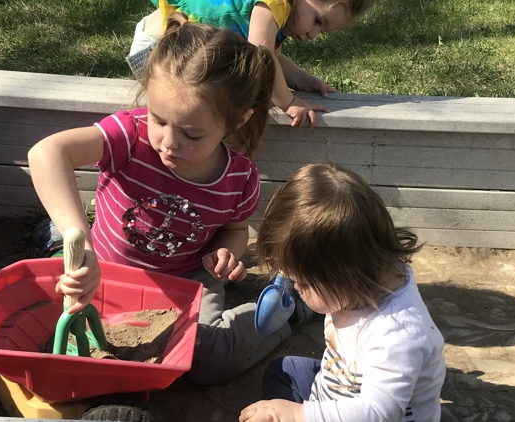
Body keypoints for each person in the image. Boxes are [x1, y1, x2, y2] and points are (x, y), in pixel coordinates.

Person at [28, 14, 312, 386]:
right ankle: (57, 236)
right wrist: (80, 242)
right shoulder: (130, 134)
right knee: (41, 317)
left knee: (209, 357)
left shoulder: (238, 178)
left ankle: (291, 310)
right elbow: (46, 154)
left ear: (238, 121)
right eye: (158, 119)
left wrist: (226, 252)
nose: (168, 141)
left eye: (192, 134)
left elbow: (235, 229)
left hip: (186, 281)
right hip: (107, 270)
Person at [239, 163, 446, 422]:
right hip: (340, 385)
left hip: (370, 415)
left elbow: (380, 412)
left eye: (301, 282)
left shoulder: (397, 335)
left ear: (345, 275)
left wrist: (297, 414)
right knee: (282, 371)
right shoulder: (362, 277)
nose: (295, 289)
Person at [127, 0, 375, 129]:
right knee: (221, 101)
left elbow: (272, 57)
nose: (313, 34)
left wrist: (305, 80)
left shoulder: (277, 14)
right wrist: (288, 102)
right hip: (158, 48)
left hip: (179, 46)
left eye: (323, 30)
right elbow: (263, 56)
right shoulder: (273, 4)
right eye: (318, 20)